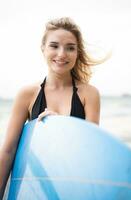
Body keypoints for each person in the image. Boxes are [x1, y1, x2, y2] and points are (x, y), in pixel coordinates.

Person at [0, 17, 107, 198]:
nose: (62, 53)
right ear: (43, 49)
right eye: (54, 46)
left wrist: (60, 126)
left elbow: (90, 150)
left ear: (77, 53)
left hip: (75, 185)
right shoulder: (27, 94)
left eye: (70, 48)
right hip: (39, 187)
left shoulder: (89, 94)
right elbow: (8, 150)